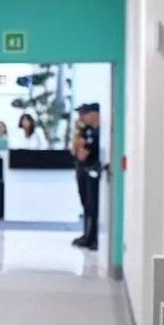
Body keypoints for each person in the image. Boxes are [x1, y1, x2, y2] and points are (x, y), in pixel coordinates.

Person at [71, 103, 101, 250]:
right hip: (83, 170)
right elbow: (75, 151)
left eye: (85, 113)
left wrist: (81, 149)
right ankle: (87, 235)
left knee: (92, 205)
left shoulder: (97, 133)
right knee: (87, 205)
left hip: (91, 171)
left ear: (94, 113)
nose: (82, 117)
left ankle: (93, 237)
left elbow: (82, 154)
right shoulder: (86, 131)